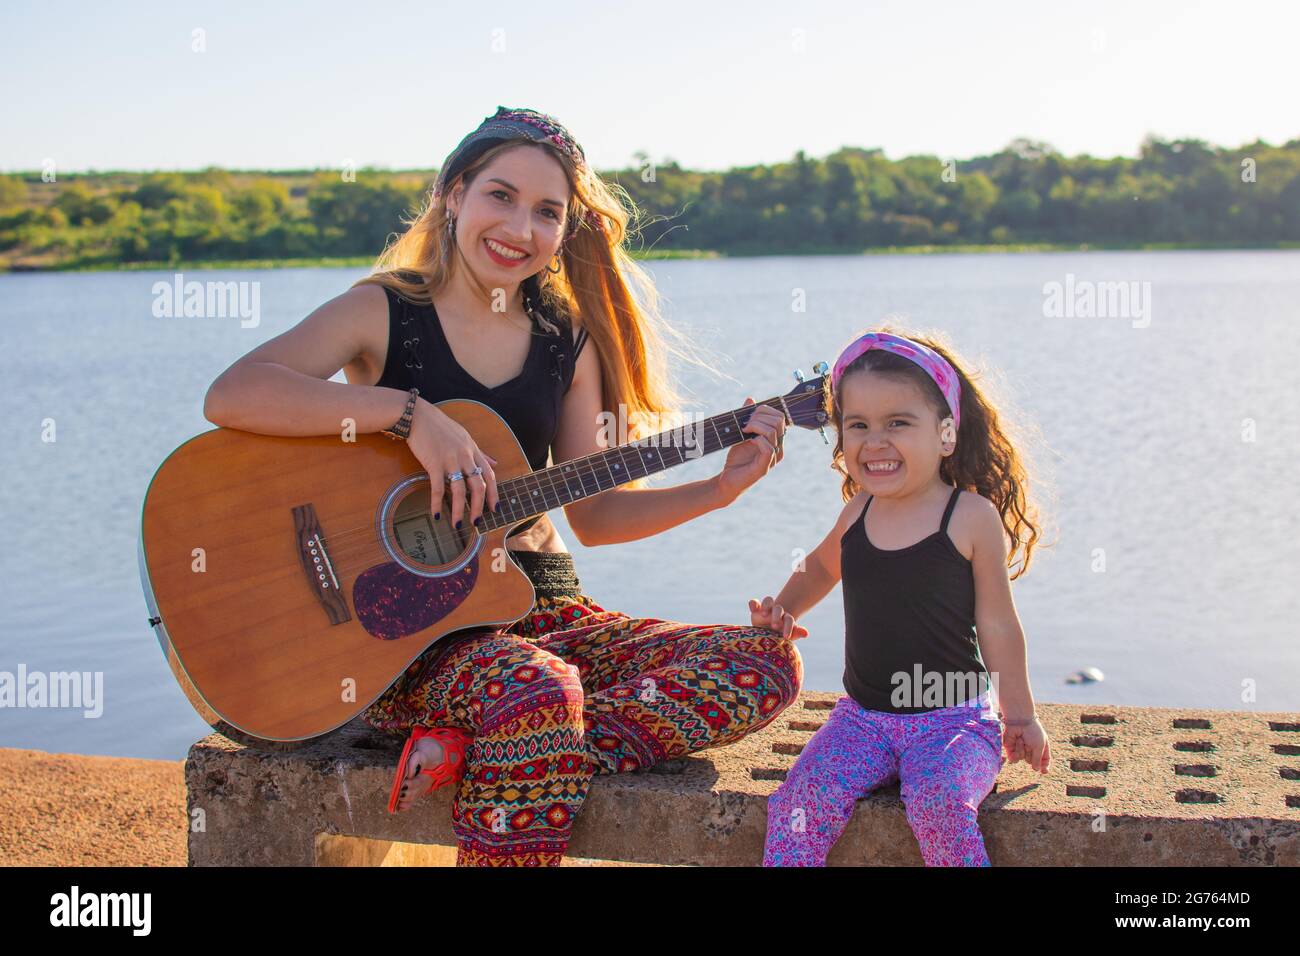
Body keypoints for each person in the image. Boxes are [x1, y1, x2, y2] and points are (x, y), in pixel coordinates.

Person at [202, 106, 803, 866]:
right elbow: (234, 392)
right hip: (406, 643)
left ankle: (484, 744)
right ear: (453, 194)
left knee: (762, 664)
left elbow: (597, 516)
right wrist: (407, 414)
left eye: (547, 212)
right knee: (536, 695)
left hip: (543, 613)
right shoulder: (384, 312)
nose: (521, 227)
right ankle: (514, 729)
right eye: (500, 195)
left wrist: (719, 491)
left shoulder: (566, 341)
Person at [752, 328, 1051, 867]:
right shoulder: (857, 513)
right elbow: (820, 565)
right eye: (858, 425)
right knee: (796, 805)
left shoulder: (969, 518)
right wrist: (784, 606)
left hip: (954, 721)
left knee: (937, 803)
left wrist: (1021, 717)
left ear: (945, 434)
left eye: (898, 423)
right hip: (862, 719)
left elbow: (999, 626)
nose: (876, 441)